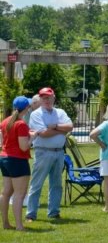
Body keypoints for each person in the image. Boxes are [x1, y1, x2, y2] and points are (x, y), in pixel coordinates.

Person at [25, 87, 73, 222]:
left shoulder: (60, 112)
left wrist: (55, 126)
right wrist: (61, 130)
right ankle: (31, 214)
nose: (47, 100)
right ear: (40, 99)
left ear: (53, 98)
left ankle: (54, 212)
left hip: (59, 152)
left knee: (56, 184)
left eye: (49, 97)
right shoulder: (36, 114)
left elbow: (70, 127)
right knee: (37, 184)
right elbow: (44, 134)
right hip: (43, 152)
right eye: (44, 98)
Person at [1, 96, 33, 230]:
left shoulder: (5, 121)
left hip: (4, 158)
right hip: (18, 160)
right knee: (19, 194)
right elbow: (24, 147)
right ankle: (19, 226)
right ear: (27, 108)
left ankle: (5, 223)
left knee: (6, 193)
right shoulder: (21, 124)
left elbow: (3, 142)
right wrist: (33, 138)